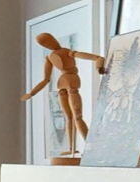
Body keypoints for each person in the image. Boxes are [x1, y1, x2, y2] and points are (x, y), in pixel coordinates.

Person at [22, 32, 106, 162]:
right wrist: (31, 93)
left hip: (70, 82)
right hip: (63, 83)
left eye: (49, 40)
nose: (49, 44)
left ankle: (90, 146)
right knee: (70, 117)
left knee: (77, 116)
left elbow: (95, 57)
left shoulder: (65, 52)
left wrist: (98, 62)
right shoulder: (50, 58)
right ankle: (74, 148)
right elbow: (45, 80)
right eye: (45, 43)